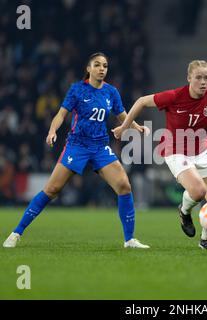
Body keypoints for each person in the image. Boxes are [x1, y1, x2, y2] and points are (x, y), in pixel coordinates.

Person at [3, 52, 150, 249]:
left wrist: (137, 127)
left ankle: (129, 239)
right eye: (97, 65)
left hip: (100, 146)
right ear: (88, 69)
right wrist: (52, 131)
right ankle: (16, 233)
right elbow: (61, 114)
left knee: (124, 185)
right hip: (77, 145)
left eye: (105, 65)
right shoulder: (77, 90)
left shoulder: (111, 92)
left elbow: (122, 115)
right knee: (52, 189)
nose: (101, 69)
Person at [112, 60, 207, 250]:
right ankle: (184, 211)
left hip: (201, 151)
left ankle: (206, 239)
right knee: (199, 191)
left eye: (206, 77)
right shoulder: (175, 96)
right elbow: (141, 101)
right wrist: (125, 127)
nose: (203, 82)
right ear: (189, 78)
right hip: (175, 150)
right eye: (198, 77)